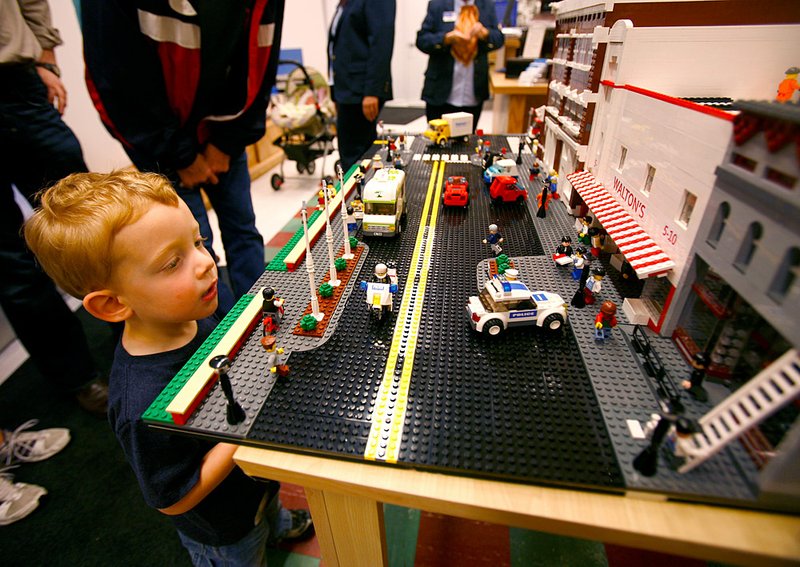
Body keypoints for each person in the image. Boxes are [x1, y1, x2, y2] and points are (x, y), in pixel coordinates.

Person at [24, 171, 312, 565]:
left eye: (198, 241)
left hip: (253, 482)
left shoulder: (196, 316)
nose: (206, 263)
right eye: (172, 262)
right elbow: (173, 500)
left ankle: (277, 521)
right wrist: (242, 435)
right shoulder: (140, 404)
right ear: (112, 305)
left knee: (266, 503)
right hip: (224, 529)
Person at [81, 0, 286, 314]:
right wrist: (180, 155)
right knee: (192, 253)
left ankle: (263, 317)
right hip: (162, 148)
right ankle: (223, 341)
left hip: (222, 138)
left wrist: (226, 145)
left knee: (242, 232)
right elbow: (116, 85)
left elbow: (263, 65)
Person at [0, 0, 107, 416]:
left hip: (16, 80)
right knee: (11, 262)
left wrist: (46, 57)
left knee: (90, 217)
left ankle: (140, 334)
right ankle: (77, 377)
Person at [328, 0, 396, 173]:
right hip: (346, 89)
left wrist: (372, 91)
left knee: (356, 155)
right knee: (351, 152)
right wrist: (334, 91)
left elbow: (381, 44)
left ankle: (356, 195)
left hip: (360, 90)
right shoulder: (345, 3)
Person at [416, 0, 504, 126]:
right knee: (438, 141)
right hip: (440, 92)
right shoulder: (438, 5)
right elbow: (422, 40)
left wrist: (485, 33)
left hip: (473, 93)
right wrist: (445, 39)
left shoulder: (487, 5)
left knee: (467, 142)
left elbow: (499, 39)